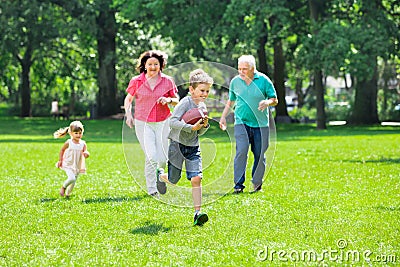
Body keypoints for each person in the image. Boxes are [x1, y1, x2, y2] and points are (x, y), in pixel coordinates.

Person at [158, 69, 213, 226]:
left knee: (197, 178)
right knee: (173, 180)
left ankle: (197, 213)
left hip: (193, 147)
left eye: (207, 91)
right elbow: (172, 122)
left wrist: (204, 126)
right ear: (191, 89)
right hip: (177, 145)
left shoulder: (202, 107)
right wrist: (191, 128)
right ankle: (161, 176)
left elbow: (199, 131)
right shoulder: (184, 103)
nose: (205, 94)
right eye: (202, 90)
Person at [124, 50, 179, 198]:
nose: (153, 66)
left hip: (163, 121)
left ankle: (159, 176)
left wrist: (168, 100)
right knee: (151, 156)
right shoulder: (137, 81)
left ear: (161, 65)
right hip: (143, 122)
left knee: (162, 158)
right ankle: (152, 189)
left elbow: (176, 99)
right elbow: (128, 99)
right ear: (144, 65)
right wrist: (128, 115)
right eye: (150, 64)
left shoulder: (167, 81)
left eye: (156, 64)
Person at [219, 55, 278, 194]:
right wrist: (223, 117)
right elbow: (231, 101)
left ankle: (257, 183)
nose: (241, 72)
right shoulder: (235, 82)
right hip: (241, 122)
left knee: (259, 154)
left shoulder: (263, 80)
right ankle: (238, 185)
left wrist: (267, 102)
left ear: (252, 68)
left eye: (244, 69)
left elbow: (274, 99)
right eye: (239, 69)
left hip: (261, 124)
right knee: (241, 151)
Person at [54, 121, 90, 197]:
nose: (78, 135)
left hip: (77, 165)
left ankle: (68, 194)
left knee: (73, 182)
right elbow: (62, 150)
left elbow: (85, 151)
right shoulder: (69, 142)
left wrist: (86, 154)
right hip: (68, 163)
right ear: (71, 133)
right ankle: (63, 187)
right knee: (72, 178)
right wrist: (60, 160)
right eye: (76, 133)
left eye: (80, 133)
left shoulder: (83, 143)